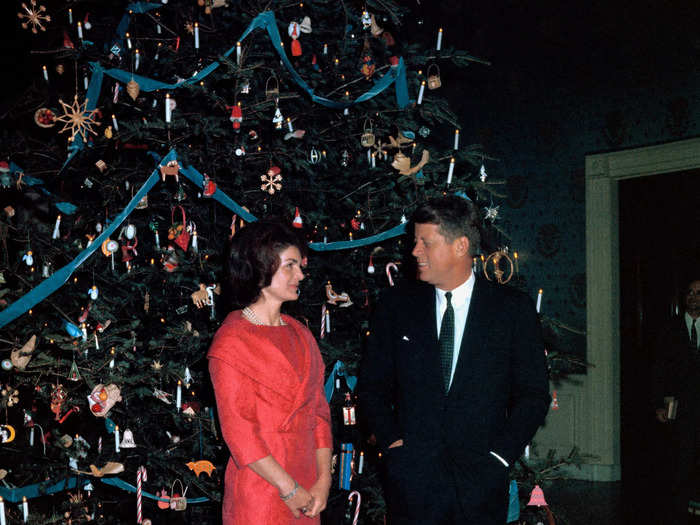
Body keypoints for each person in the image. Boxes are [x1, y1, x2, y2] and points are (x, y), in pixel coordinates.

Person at [358, 195, 550, 525]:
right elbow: (371, 387)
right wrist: (393, 446)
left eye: (425, 242)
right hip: (412, 485)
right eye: (415, 241)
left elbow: (533, 395)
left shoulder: (512, 310)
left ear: (461, 246)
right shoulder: (396, 307)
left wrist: (500, 457)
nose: (415, 251)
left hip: (482, 485)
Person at [208, 220, 332, 524]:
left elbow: (319, 414)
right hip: (261, 488)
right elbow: (240, 434)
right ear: (260, 267)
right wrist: (290, 490)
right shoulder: (232, 340)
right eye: (290, 266)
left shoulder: (302, 335)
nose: (301, 275)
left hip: (308, 487)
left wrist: (323, 483)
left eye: (299, 265)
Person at [652, 279, 700, 524]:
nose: (693, 297)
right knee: (680, 461)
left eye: (699, 293)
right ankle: (679, 513)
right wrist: (659, 404)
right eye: (690, 292)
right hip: (681, 409)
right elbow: (659, 370)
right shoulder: (671, 329)